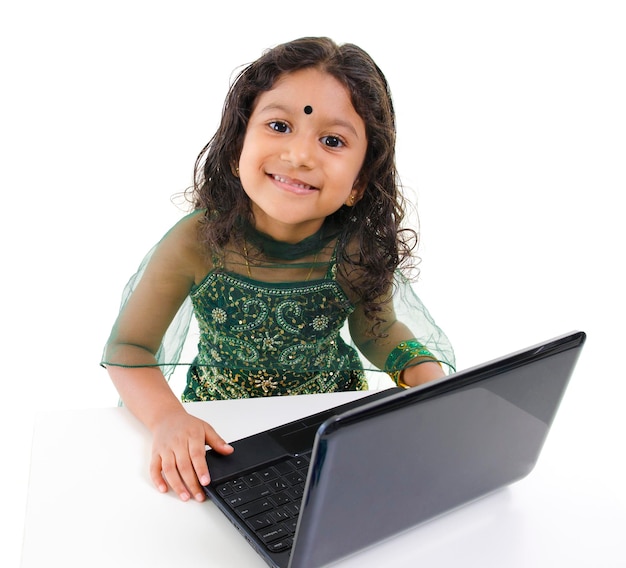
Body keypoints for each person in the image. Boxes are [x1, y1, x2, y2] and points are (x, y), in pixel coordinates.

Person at [102, 37, 455, 504]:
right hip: (223, 433)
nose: (300, 155)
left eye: (332, 140)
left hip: (329, 422)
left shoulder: (356, 247)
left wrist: (428, 380)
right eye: (279, 125)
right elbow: (129, 348)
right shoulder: (195, 243)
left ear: (359, 182)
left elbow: (378, 330)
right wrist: (169, 418)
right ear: (235, 150)